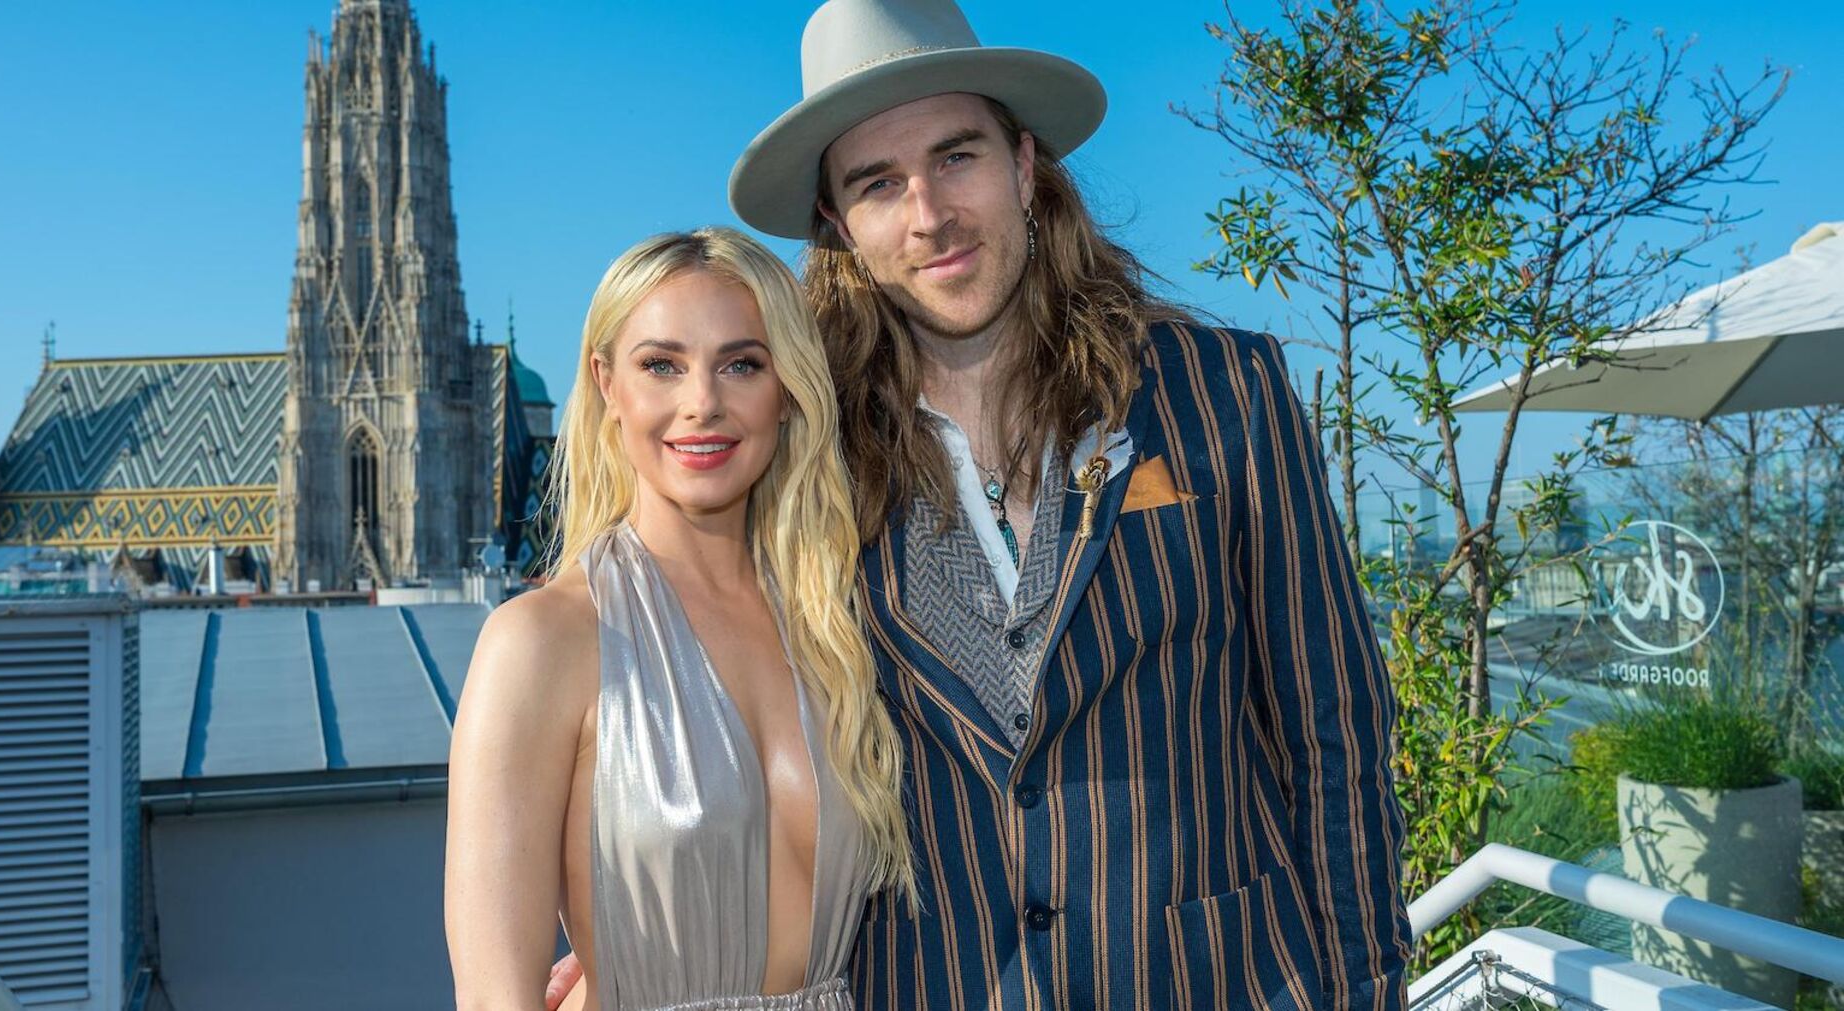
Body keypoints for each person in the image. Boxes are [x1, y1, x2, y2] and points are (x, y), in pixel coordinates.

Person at [555, 0, 1413, 1007]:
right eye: (878, 184)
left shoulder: (1224, 388)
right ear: (839, 224)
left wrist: (1368, 986)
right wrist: (632, 957)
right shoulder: (802, 453)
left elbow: (1335, 729)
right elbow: (688, 683)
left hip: (1222, 979)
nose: (928, 214)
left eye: (955, 157)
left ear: (1023, 163)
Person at [448, 227, 915, 1011]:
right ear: (607, 385)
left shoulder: (840, 622)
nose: (703, 402)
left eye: (742, 364)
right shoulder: (539, 643)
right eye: (661, 364)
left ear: (786, 390)